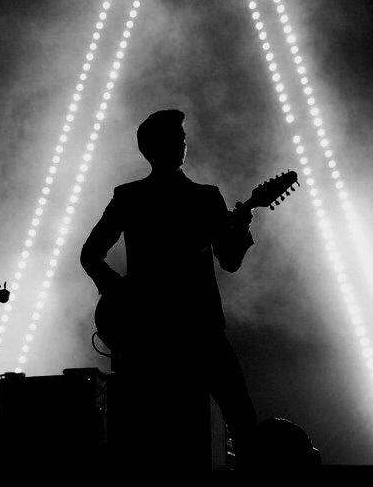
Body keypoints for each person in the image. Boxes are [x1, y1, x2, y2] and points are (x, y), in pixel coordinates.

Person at [80, 109, 257, 471]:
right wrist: (121, 292)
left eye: (182, 139)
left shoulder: (207, 198)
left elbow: (229, 260)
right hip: (163, 330)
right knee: (155, 427)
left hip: (194, 325)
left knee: (239, 415)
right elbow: (90, 254)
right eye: (173, 139)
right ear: (151, 148)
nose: (181, 144)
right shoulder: (131, 197)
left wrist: (238, 227)